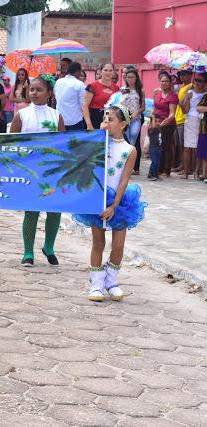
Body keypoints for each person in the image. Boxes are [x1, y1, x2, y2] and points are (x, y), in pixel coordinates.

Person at [73, 105, 147, 301]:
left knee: (119, 245)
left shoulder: (130, 150)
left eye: (111, 118)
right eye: (105, 117)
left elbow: (123, 179)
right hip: (97, 198)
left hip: (120, 202)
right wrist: (98, 137)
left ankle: (111, 280)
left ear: (122, 124)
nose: (106, 120)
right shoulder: (98, 144)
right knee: (98, 243)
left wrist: (114, 205)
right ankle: (96, 283)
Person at [10, 75, 65, 267]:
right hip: (29, 170)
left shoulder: (56, 116)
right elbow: (11, 143)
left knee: (54, 210)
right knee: (31, 211)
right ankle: (28, 253)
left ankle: (49, 247)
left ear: (49, 93)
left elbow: (63, 144)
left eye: (39, 90)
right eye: (31, 89)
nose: (34, 93)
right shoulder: (22, 115)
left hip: (51, 170)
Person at [179, 72, 207, 179]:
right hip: (190, 119)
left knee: (198, 148)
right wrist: (186, 97)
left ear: (205, 82)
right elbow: (183, 109)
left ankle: (196, 172)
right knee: (187, 147)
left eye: (200, 81)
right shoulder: (190, 92)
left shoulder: (206, 94)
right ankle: (186, 172)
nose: (197, 82)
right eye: (196, 80)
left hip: (202, 121)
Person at [118, 69, 145, 175]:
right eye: (128, 77)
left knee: (133, 138)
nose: (130, 79)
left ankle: (132, 165)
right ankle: (125, 166)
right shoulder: (123, 90)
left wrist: (136, 112)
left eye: (132, 77)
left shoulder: (140, 91)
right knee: (125, 140)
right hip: (124, 118)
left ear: (136, 78)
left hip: (136, 118)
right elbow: (118, 104)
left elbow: (143, 107)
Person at [153, 71, 178, 177]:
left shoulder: (173, 96)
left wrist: (165, 122)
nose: (164, 83)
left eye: (166, 81)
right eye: (162, 81)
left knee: (166, 147)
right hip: (156, 122)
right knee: (158, 146)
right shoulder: (157, 93)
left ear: (170, 83)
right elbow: (154, 108)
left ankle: (166, 170)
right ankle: (159, 168)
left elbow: (172, 114)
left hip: (168, 124)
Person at [83, 63, 119, 129]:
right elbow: (85, 106)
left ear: (113, 72)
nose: (108, 73)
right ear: (101, 71)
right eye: (105, 70)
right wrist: (89, 124)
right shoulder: (92, 86)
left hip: (110, 122)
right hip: (94, 121)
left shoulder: (116, 88)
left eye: (110, 70)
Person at [53, 61, 87, 130]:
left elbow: (56, 97)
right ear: (77, 71)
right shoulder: (80, 84)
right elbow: (83, 104)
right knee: (76, 141)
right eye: (80, 72)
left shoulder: (58, 82)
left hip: (60, 120)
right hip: (75, 121)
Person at [174, 70, 193, 173]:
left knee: (184, 144)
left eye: (185, 74)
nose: (182, 76)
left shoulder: (191, 86)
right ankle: (182, 164)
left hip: (184, 118)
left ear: (190, 75)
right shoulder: (182, 87)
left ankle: (186, 166)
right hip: (177, 117)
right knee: (179, 144)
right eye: (181, 74)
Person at [147, 115, 162, 181]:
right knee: (154, 162)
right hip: (153, 148)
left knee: (158, 162)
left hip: (159, 147)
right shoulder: (151, 129)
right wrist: (152, 118)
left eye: (159, 121)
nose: (158, 123)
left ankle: (155, 173)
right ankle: (151, 173)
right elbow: (152, 126)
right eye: (156, 121)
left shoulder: (159, 128)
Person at [197, 92, 207, 182]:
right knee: (204, 152)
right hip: (205, 128)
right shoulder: (206, 96)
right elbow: (199, 108)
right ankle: (204, 174)